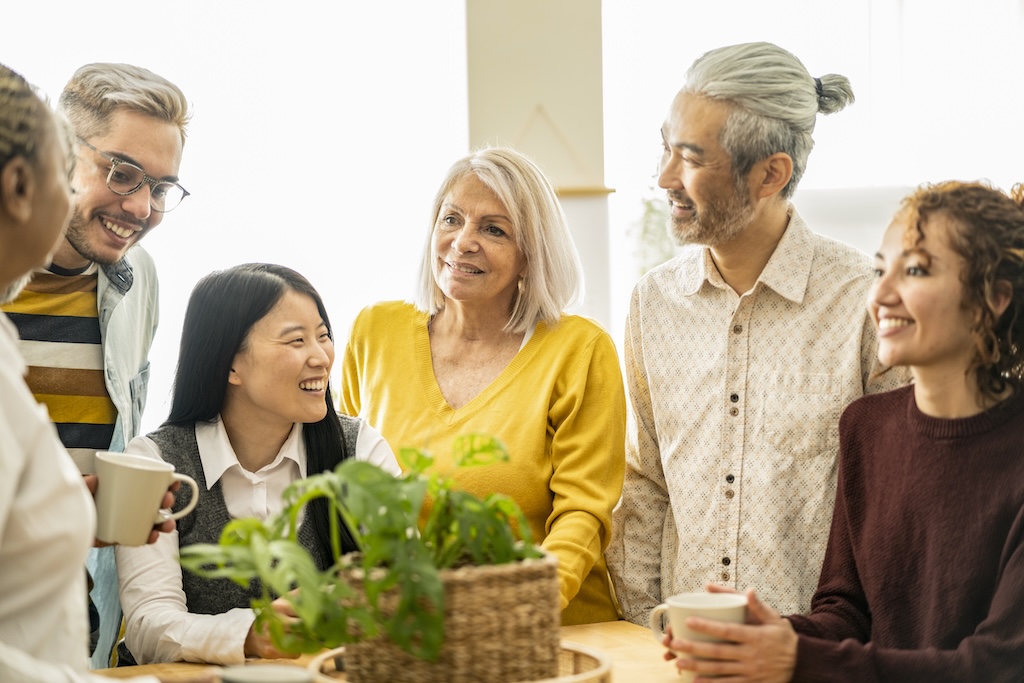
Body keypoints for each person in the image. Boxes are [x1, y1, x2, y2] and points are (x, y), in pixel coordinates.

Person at [665, 180, 1024, 682]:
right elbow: (847, 612)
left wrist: (794, 659)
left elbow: (998, 667)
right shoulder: (867, 427)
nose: (881, 294)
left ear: (994, 299)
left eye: (916, 270)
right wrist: (774, 636)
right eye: (881, 269)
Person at [606, 41, 909, 626]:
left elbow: (896, 512)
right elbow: (645, 487)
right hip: (678, 658)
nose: (664, 176)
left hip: (816, 662)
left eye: (691, 159)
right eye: (665, 148)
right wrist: (646, 625)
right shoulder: (654, 304)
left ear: (771, 173)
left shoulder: (866, 305)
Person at [341, 146, 626, 625]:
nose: (463, 241)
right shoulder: (375, 332)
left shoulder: (580, 349)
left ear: (530, 257)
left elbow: (584, 513)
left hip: (547, 632)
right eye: (452, 219)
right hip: (413, 628)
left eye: (493, 229)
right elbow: (338, 481)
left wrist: (520, 608)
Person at [0, 62, 210, 683]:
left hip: (69, 611)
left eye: (162, 188)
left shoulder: (135, 281)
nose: (141, 207)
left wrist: (74, 511)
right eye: (122, 173)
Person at [115, 263, 400, 665]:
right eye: (295, 340)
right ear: (230, 364)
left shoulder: (361, 451)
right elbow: (148, 625)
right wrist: (248, 633)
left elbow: (407, 587)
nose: (321, 357)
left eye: (323, 336)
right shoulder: (151, 463)